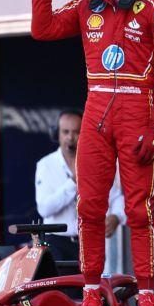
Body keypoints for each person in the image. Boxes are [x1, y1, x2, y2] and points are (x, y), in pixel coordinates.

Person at [31, 0, 154, 306]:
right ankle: (91, 295)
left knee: (139, 210)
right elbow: (41, 29)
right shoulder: (87, 3)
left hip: (137, 112)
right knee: (90, 209)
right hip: (95, 110)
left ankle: (147, 296)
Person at [35, 109, 125, 266]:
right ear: (57, 134)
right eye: (65, 132)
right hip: (57, 243)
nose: (70, 138)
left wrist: (117, 216)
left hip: (90, 242)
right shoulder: (45, 165)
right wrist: (73, 182)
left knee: (92, 289)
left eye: (76, 132)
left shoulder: (98, 164)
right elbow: (44, 208)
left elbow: (117, 196)